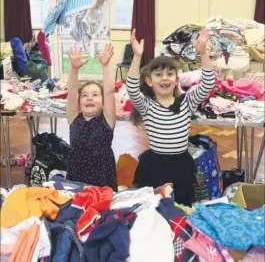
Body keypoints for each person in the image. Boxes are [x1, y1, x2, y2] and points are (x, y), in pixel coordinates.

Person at [126, 28, 215, 206]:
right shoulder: (147, 105)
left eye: (169, 74)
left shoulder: (186, 102)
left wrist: (203, 53)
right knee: (154, 208)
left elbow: (208, 83)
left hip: (181, 165)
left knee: (181, 207)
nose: (164, 78)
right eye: (158, 74)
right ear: (149, 81)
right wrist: (137, 57)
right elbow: (132, 88)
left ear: (176, 79)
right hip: (154, 166)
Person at [66, 43, 117, 191]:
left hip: (102, 176)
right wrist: (74, 69)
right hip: (77, 174)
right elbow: (71, 91)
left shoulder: (107, 120)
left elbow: (108, 91)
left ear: (102, 103)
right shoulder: (74, 119)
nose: (89, 98)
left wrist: (105, 66)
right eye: (85, 95)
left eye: (95, 95)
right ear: (79, 102)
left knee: (102, 210)